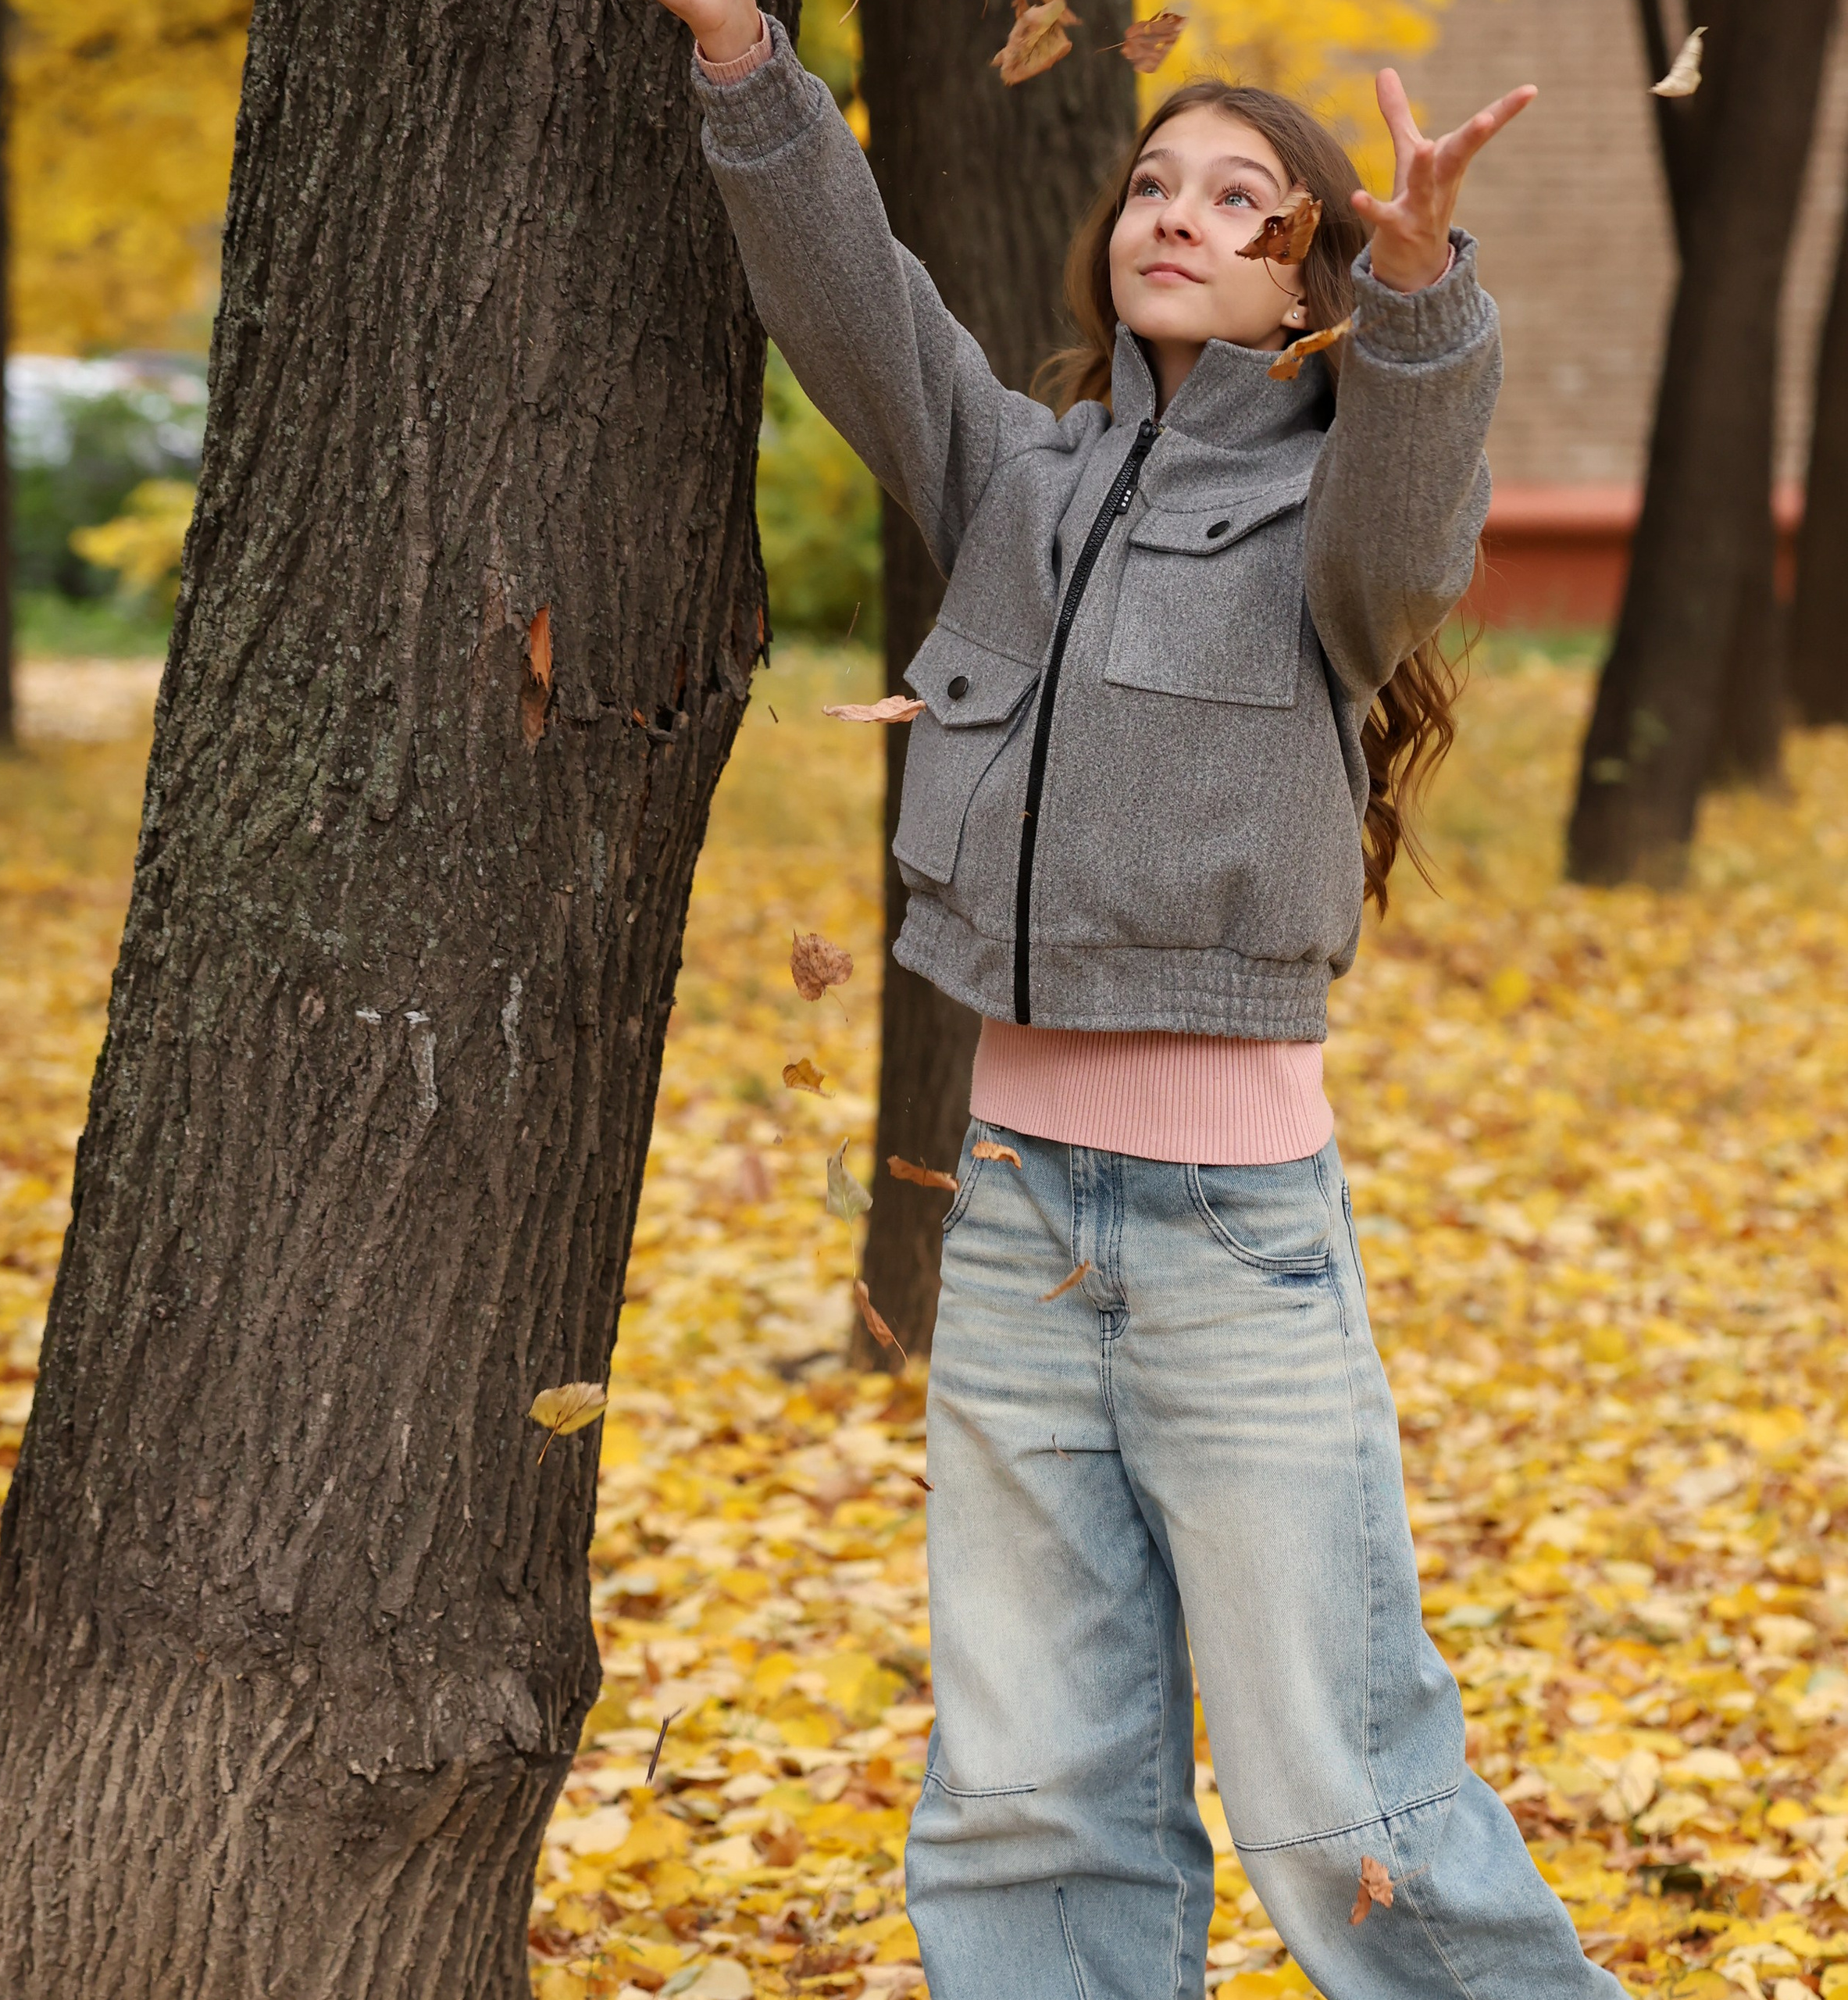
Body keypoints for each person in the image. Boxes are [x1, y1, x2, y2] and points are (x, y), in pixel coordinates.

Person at [653, 5, 1614, 1995]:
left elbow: (1421, 497)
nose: (1176, 216)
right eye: (1154, 185)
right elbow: (857, 301)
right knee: (1023, 1786)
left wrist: (1421, 290)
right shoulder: (1018, 470)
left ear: (1305, 274)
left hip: (1229, 1248)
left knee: (1340, 1793)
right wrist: (744, 54)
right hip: (1008, 1214)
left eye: (1242, 200)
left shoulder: (1323, 535)